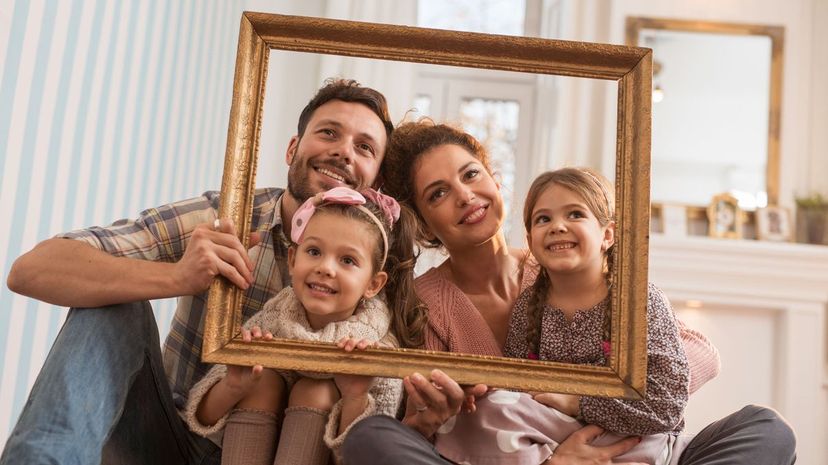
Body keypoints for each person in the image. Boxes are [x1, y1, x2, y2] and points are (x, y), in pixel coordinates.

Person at [3, 79, 425, 465]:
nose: (343, 151)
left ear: (376, 183)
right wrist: (178, 278)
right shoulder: (224, 218)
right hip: (173, 438)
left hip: (301, 447)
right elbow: (31, 270)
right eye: (328, 132)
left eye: (365, 147)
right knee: (115, 306)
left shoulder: (382, 270)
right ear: (293, 148)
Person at [342, 121, 796, 465]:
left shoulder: (567, 262)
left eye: (471, 174)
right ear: (422, 221)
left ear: (495, 180)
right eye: (439, 193)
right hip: (510, 455)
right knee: (374, 440)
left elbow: (697, 353)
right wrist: (432, 417)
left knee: (766, 429)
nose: (464, 195)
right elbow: (442, 429)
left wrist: (598, 403)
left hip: (624, 444)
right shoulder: (423, 305)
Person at [435, 168, 690, 465]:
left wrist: (576, 402)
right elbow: (517, 390)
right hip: (551, 436)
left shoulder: (639, 301)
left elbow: (667, 404)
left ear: (607, 234)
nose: (557, 226)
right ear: (530, 240)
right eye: (543, 219)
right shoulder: (529, 306)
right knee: (486, 408)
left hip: (632, 437)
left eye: (574, 215)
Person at [185, 187, 412, 465]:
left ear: (373, 284)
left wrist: (355, 397)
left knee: (315, 390)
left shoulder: (378, 350)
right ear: (293, 260)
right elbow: (202, 417)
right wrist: (233, 385)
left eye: (348, 260)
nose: (326, 268)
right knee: (261, 380)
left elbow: (367, 457)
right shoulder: (273, 320)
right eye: (314, 251)